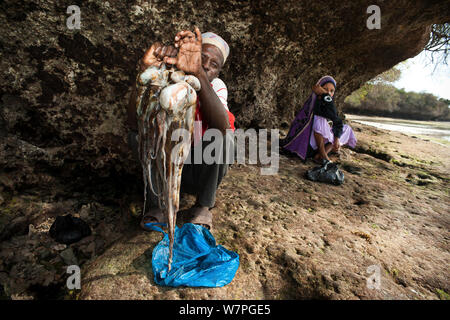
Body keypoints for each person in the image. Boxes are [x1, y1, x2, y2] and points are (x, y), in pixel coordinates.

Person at [126, 27, 235, 230]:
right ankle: (157, 203)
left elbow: (223, 126)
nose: (205, 65)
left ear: (218, 72)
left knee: (224, 138)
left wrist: (199, 74)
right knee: (137, 135)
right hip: (163, 172)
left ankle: (203, 205)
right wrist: (144, 72)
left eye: (214, 65)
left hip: (196, 173)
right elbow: (133, 124)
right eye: (201, 57)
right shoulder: (165, 76)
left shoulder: (216, 85)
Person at [281, 75, 356, 162]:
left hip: (321, 144)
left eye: (332, 91)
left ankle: (321, 154)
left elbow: (337, 120)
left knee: (347, 129)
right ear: (319, 90)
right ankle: (324, 156)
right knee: (320, 119)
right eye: (325, 89)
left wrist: (336, 140)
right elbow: (318, 120)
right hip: (307, 144)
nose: (329, 93)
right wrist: (325, 96)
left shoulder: (328, 104)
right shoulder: (313, 103)